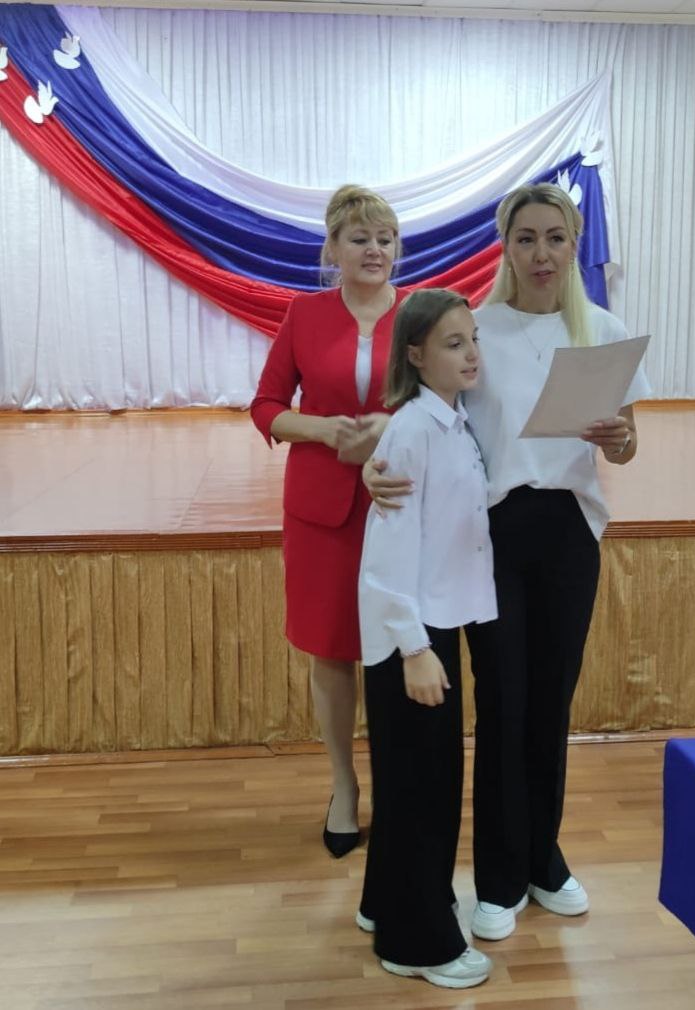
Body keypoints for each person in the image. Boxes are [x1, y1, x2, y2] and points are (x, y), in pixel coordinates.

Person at [364, 182, 651, 940]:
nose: (542, 253)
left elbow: (625, 442)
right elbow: (419, 421)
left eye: (555, 237)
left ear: (575, 243)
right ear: (506, 246)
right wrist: (373, 468)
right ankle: (496, 874)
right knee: (504, 703)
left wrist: (622, 440)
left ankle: (542, 859)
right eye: (526, 238)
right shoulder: (477, 331)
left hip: (569, 534)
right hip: (492, 537)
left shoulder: (603, 332)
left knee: (551, 703)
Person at [250, 185, 407, 857]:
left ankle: (401, 789)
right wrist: (322, 428)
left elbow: (452, 401)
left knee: (401, 649)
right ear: (333, 249)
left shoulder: (423, 313)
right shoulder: (304, 314)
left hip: (402, 501)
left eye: (385, 239)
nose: (374, 250)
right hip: (324, 512)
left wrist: (391, 429)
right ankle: (344, 786)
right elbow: (265, 406)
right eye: (360, 238)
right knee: (333, 651)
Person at [357, 288, 497, 988]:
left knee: (417, 783)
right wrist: (414, 648)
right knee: (424, 790)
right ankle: (416, 944)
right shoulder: (412, 431)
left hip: (433, 625)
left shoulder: (452, 422)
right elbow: (387, 555)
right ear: (415, 354)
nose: (471, 354)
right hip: (410, 639)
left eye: (473, 339)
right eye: (453, 343)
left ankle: (387, 902)